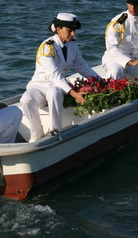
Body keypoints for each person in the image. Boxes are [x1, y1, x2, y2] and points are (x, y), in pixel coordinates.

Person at [20, 13, 100, 142]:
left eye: (74, 31)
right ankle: (36, 135)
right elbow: (54, 74)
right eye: (70, 30)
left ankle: (55, 131)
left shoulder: (72, 45)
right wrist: (74, 94)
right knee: (26, 100)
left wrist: (101, 81)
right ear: (58, 30)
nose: (73, 34)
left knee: (54, 92)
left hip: (55, 86)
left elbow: (82, 67)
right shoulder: (47, 47)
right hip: (39, 86)